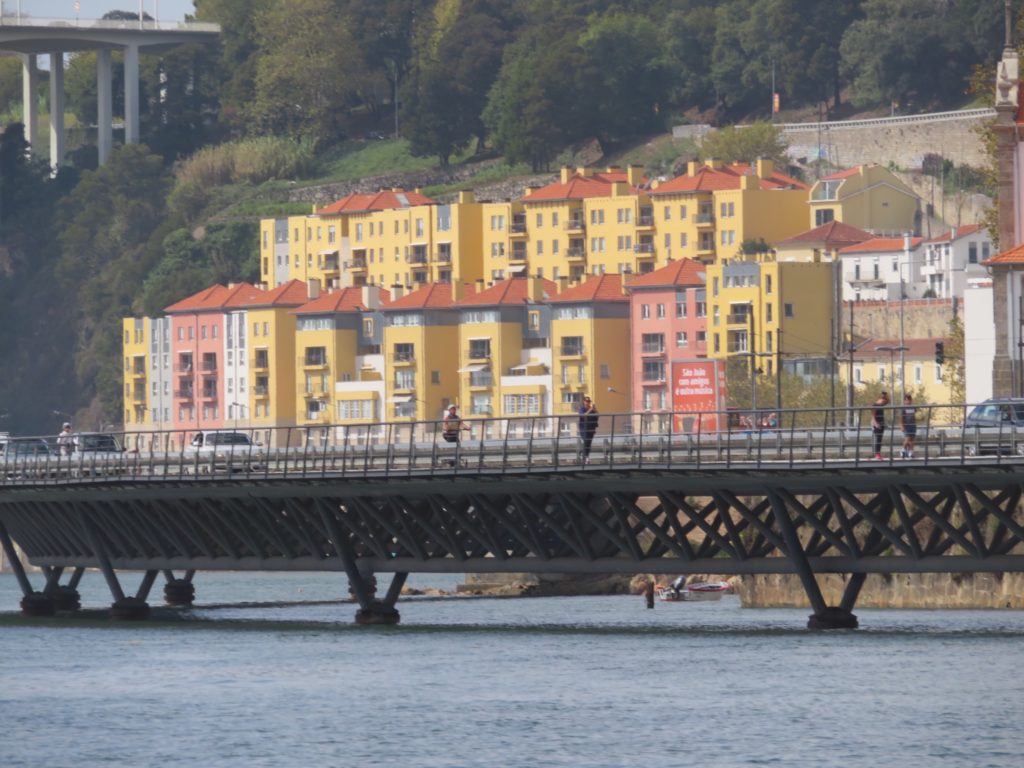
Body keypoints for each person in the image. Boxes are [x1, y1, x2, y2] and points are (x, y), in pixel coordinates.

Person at [578, 396, 599, 464]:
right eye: (586, 401)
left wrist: (594, 409)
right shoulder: (582, 409)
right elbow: (583, 415)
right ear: (584, 402)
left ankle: (586, 456)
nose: (588, 403)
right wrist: (590, 410)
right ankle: (584, 457)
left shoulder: (592, 409)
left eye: (589, 401)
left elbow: (597, 415)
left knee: (589, 443)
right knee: (586, 441)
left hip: (591, 429)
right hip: (584, 429)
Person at [871, 391, 890, 460]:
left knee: (880, 439)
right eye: (882, 399)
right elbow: (873, 416)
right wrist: (876, 424)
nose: (883, 401)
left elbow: (888, 401)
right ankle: (877, 454)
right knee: (878, 439)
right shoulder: (875, 405)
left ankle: (878, 453)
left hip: (881, 423)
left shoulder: (881, 405)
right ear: (879, 399)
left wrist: (885, 396)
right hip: (877, 424)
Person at [900, 394, 917, 459]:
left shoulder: (913, 408)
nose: (908, 401)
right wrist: (901, 425)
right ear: (904, 401)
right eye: (906, 400)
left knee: (912, 439)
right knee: (907, 438)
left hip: (913, 425)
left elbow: (916, 415)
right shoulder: (903, 408)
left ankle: (910, 452)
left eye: (909, 400)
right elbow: (901, 417)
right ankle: (903, 449)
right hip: (906, 426)